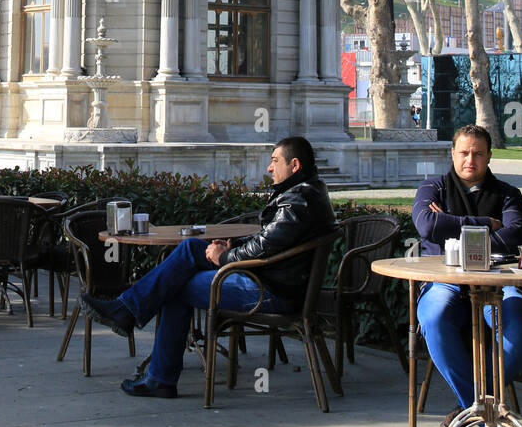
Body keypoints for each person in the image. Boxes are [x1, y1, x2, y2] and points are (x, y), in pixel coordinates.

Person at [80, 136, 337, 398]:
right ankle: (128, 314)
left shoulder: (298, 200)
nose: (269, 168)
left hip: (271, 293)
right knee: (192, 248)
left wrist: (226, 257)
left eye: (274, 161)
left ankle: (157, 371)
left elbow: (265, 245)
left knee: (175, 285)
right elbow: (271, 239)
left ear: (294, 164)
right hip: (272, 281)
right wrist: (232, 245)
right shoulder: (305, 192)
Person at [412, 122, 522, 427]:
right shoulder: (432, 188)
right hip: (444, 281)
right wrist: (486, 224)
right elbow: (427, 225)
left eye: (478, 154)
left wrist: (450, 225)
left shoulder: (508, 194)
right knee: (435, 317)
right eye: (464, 153)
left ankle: (475, 405)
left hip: (498, 282)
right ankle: (486, 413)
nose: (471, 160)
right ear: (452, 154)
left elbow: (515, 234)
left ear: (489, 156)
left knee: (521, 318)